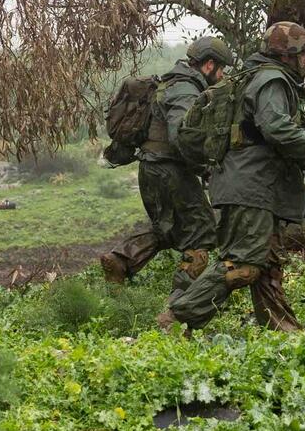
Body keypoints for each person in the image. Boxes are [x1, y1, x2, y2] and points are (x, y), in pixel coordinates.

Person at [163, 21, 305, 332]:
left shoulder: (260, 76)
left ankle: (283, 330)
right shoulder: (272, 80)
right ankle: (175, 318)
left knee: (267, 263)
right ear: (288, 56)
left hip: (256, 186)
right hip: (249, 187)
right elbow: (276, 127)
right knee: (242, 266)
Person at [100, 37, 234, 283]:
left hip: (150, 168)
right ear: (209, 65)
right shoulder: (186, 89)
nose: (222, 75)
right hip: (170, 170)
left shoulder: (168, 83)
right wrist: (203, 167)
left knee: (167, 228)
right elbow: (180, 135)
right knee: (203, 233)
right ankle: (181, 302)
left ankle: (121, 259)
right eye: (222, 69)